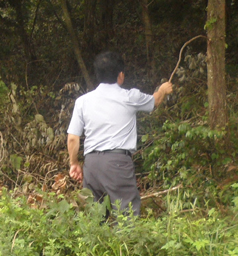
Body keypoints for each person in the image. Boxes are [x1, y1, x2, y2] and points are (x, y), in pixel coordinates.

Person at [67, 51, 173, 216]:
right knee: (126, 216)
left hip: (91, 164)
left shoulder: (82, 101)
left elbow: (73, 138)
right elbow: (156, 100)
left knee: (95, 218)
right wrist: (163, 90)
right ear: (121, 75)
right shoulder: (129, 97)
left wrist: (74, 163)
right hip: (117, 163)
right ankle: (126, 242)